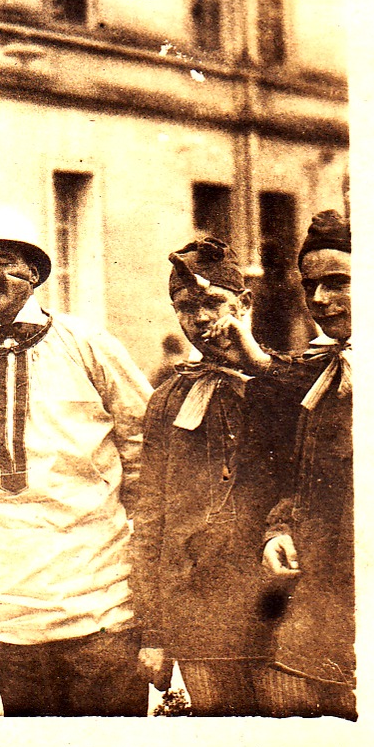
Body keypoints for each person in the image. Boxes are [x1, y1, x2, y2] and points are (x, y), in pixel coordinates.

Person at [0, 209, 153, 716]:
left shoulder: (86, 345)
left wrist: (139, 549)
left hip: (98, 597)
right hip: (9, 606)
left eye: (6, 261)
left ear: (34, 273)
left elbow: (145, 443)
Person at [128, 238, 295, 714]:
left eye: (213, 303)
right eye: (186, 307)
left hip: (276, 609)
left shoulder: (288, 383)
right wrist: (154, 633)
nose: (200, 319)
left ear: (244, 304)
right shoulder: (168, 400)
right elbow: (152, 518)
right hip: (199, 615)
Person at [215, 209, 355, 719]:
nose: (320, 300)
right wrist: (279, 528)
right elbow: (303, 477)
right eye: (310, 285)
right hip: (325, 598)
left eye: (338, 282)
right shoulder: (324, 369)